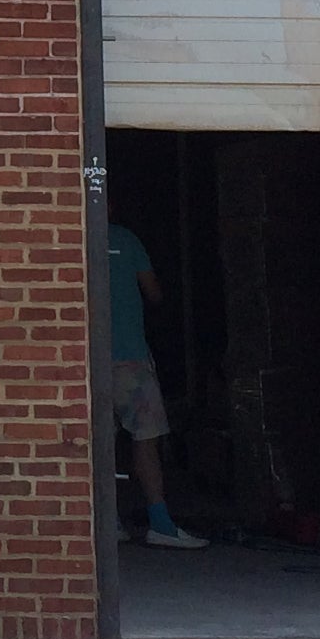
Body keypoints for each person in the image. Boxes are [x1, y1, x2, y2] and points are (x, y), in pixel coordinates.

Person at [109, 217, 205, 548]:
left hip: (86, 357)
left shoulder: (72, 238)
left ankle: (107, 522)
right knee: (145, 439)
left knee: (95, 445)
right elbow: (154, 293)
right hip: (130, 357)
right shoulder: (127, 238)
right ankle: (160, 524)